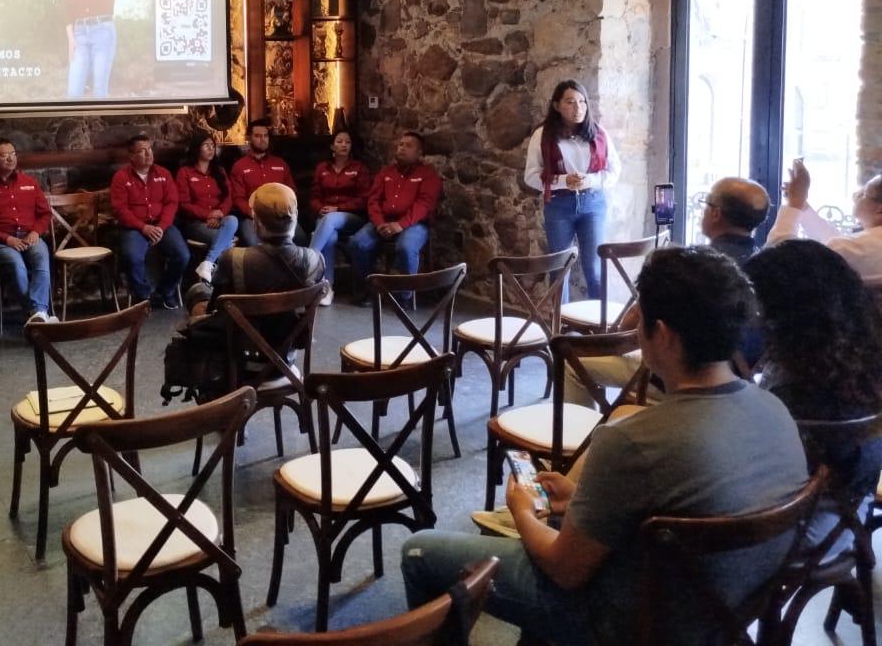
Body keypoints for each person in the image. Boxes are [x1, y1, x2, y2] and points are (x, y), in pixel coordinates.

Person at [400, 247, 808, 646]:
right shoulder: (777, 412)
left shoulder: (631, 440)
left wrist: (524, 514)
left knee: (420, 551)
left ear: (662, 334)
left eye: (639, 319)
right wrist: (581, 498)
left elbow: (564, 571)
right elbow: (690, 499)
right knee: (558, 524)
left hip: (628, 622)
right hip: (726, 616)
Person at [563, 174, 770, 407]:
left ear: (716, 213)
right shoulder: (767, 267)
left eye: (707, 203)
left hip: (682, 382)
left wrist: (601, 340)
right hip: (737, 385)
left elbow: (632, 326)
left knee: (572, 362)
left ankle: (582, 441)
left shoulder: (691, 268)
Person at [746, 240, 882, 550]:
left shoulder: (798, 392)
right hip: (852, 511)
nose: (754, 316)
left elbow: (757, 477)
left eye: (759, 305)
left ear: (785, 314)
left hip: (796, 529)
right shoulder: (858, 358)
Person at [163, 183, 324, 403]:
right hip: (286, 360)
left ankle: (218, 399)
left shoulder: (234, 258)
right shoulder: (315, 260)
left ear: (256, 223)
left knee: (198, 291)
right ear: (294, 220)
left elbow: (216, 313)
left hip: (242, 363)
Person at [524, 80, 621, 302]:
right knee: (559, 269)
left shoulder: (598, 133)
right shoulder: (543, 135)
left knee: (594, 267)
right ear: (557, 106)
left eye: (582, 102)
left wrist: (590, 180)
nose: (578, 108)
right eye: (570, 102)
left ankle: (600, 327)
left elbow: (614, 171)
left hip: (593, 203)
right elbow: (530, 175)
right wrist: (563, 181)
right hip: (559, 205)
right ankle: (561, 328)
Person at [0, 137, 57, 324]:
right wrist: (7, 239)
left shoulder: (29, 182)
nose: (10, 159)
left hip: (29, 236)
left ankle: (37, 313)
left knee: (42, 257)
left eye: (13, 154)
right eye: (4, 155)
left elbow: (45, 214)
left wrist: (35, 232)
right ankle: (36, 313)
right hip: (0, 243)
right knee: (17, 265)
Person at [347, 131, 439, 306]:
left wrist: (401, 225)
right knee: (357, 243)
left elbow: (424, 205)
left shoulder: (428, 175)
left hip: (414, 224)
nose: (402, 148)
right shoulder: (385, 172)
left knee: (406, 247)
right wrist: (380, 222)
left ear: (419, 153)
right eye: (400, 144)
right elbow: (373, 200)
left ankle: (404, 298)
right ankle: (367, 291)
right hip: (384, 221)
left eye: (408, 145)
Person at [767, 158, 882, 279]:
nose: (854, 196)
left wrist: (794, 203)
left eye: (863, 194)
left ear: (880, 209)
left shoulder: (849, 248)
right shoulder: (855, 246)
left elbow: (777, 259)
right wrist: (801, 203)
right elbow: (838, 241)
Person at [110, 134, 189, 308]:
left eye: (150, 149)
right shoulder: (121, 177)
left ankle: (165, 291)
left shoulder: (163, 173)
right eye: (142, 151)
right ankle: (144, 296)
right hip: (135, 228)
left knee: (183, 255)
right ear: (131, 156)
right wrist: (143, 227)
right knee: (132, 257)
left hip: (162, 225)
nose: (148, 154)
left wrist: (161, 227)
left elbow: (171, 202)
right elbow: (120, 209)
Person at [307, 130, 371, 307]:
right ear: (332, 146)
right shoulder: (322, 168)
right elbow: (314, 196)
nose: (344, 145)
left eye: (347, 142)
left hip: (352, 218)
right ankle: (327, 288)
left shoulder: (359, 168)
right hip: (326, 216)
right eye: (340, 141)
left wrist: (338, 208)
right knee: (330, 237)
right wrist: (320, 208)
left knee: (330, 220)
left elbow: (364, 199)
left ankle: (307, 263)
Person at [175, 131, 239, 284]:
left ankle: (208, 263)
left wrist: (220, 214)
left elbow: (229, 197)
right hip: (195, 223)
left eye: (213, 145)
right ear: (197, 148)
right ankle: (220, 284)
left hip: (220, 221)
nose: (211, 149)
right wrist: (208, 215)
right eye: (206, 145)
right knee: (226, 241)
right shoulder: (185, 172)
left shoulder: (219, 171)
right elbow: (183, 203)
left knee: (233, 220)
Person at [229, 118, 302, 247]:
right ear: (249, 138)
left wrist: (285, 211)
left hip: (280, 215)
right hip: (252, 218)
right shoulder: (239, 166)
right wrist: (254, 214)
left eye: (265, 136)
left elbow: (291, 191)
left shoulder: (280, 163)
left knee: (301, 238)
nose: (263, 139)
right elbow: (238, 198)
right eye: (257, 136)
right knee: (254, 243)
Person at [698, 176, 770, 263]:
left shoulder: (700, 263)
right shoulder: (765, 263)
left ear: (716, 213)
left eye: (706, 204)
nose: (703, 211)